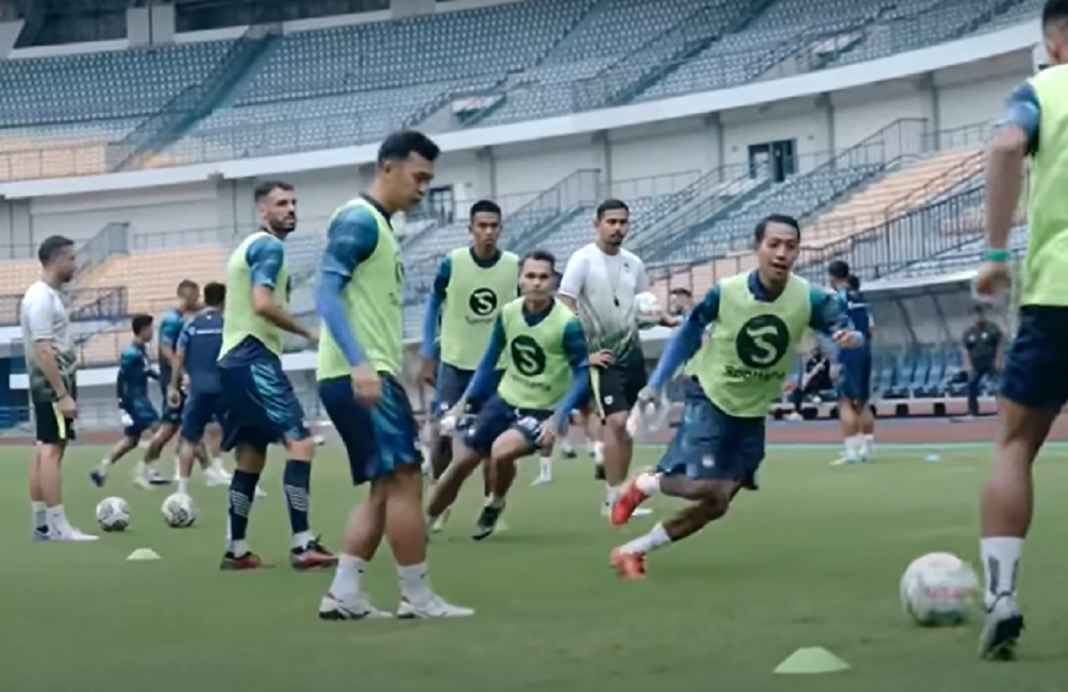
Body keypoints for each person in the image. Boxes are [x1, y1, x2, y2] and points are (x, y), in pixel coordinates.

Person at [607, 214, 861, 579]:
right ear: (757, 247)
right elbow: (687, 333)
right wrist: (657, 382)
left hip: (752, 410)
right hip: (710, 394)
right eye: (774, 244)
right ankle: (644, 484)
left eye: (790, 246)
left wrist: (849, 338)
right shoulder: (726, 292)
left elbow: (846, 327)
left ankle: (633, 551)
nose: (782, 253)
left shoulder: (810, 297)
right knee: (702, 485)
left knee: (717, 501)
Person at [317, 130, 472, 619]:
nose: (424, 188)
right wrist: (360, 364)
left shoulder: (380, 227)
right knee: (406, 480)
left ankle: (344, 594)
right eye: (418, 176)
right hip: (361, 374)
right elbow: (324, 294)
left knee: (386, 486)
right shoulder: (359, 221)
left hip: (365, 372)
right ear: (388, 167)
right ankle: (417, 598)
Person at [973, 0, 1068, 660]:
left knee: (1015, 443)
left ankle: (1001, 596)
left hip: (1057, 293)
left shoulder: (1043, 89)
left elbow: (1007, 145)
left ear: (1054, 42)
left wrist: (994, 253)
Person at [426, 250, 590, 539]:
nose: (536, 282)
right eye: (530, 276)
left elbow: (583, 373)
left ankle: (495, 502)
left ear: (554, 282)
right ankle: (425, 522)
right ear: (520, 280)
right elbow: (489, 361)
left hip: (541, 409)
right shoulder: (509, 313)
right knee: (461, 462)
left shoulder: (568, 324)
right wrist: (463, 403)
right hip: (504, 399)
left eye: (543, 277)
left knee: (501, 452)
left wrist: (558, 417)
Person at [217, 180, 335, 571]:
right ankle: (303, 544)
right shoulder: (269, 247)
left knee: (251, 455)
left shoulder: (247, 246)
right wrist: (308, 332)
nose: (291, 209)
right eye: (281, 203)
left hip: (233, 361)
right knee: (300, 443)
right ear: (262, 211)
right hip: (253, 356)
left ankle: (236, 550)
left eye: (294, 202)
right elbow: (263, 303)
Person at [558, 199, 676, 518]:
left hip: (631, 354)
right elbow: (565, 306)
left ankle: (621, 496)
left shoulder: (634, 264)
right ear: (597, 224)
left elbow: (643, 307)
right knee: (618, 421)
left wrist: (666, 319)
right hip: (602, 357)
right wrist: (583, 353)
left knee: (627, 428)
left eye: (623, 222)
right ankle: (611, 497)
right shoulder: (582, 259)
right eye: (611, 222)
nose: (618, 228)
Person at [418, 199, 519, 524]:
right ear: (470, 229)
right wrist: (428, 351)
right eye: (482, 226)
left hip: (497, 369)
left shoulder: (513, 266)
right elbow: (433, 305)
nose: (488, 232)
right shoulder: (453, 263)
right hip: (455, 365)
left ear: (501, 229)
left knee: (493, 444)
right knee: (442, 437)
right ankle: (439, 499)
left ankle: (491, 506)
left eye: (493, 226)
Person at [22, 235, 97, 541]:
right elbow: (43, 349)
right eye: (71, 258)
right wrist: (63, 394)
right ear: (56, 259)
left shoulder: (47, 295)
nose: (75, 265)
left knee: (43, 449)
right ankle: (58, 526)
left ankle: (42, 524)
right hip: (53, 387)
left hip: (51, 385)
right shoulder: (41, 297)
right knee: (53, 450)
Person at [167, 282, 243, 497]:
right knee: (245, 437)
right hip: (225, 389)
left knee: (189, 439)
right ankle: (248, 486)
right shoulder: (228, 324)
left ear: (206, 299)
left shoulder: (190, 325)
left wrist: (173, 386)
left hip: (198, 390)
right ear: (224, 301)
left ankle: (182, 491)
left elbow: (179, 356)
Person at [90, 314, 162, 488]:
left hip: (138, 399)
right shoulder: (130, 353)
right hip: (136, 401)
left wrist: (165, 379)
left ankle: (101, 470)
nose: (153, 332)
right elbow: (121, 379)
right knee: (160, 430)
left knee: (131, 440)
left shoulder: (141, 350)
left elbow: (148, 371)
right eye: (151, 328)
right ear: (143, 330)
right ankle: (147, 471)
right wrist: (122, 404)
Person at [828, 262, 875, 465]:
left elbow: (835, 329)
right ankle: (866, 449)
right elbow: (871, 330)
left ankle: (851, 452)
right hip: (865, 350)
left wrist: (835, 358)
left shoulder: (837, 299)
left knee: (845, 401)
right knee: (863, 401)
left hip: (847, 351)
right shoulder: (862, 299)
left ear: (833, 276)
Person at [961, 304, 1003, 419]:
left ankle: (1002, 411)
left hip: (991, 362)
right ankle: (972, 411)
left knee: (997, 386)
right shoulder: (969, 332)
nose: (978, 317)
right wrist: (967, 364)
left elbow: (999, 345)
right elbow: (965, 350)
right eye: (975, 314)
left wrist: (998, 360)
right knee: (971, 385)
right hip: (975, 365)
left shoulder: (992, 328)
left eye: (980, 314)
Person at [785, 346, 832, 420]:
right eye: (813, 352)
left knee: (817, 379)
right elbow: (808, 373)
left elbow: (825, 373)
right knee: (797, 391)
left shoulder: (825, 361)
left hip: (823, 383)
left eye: (816, 352)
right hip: (810, 384)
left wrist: (819, 367)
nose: (814, 354)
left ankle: (815, 395)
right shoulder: (810, 362)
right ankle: (797, 411)